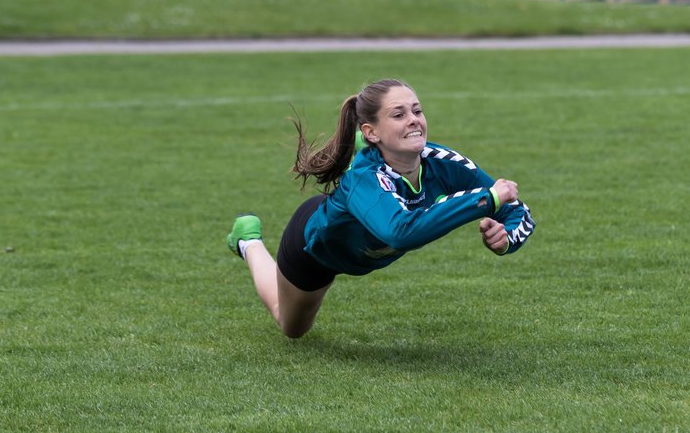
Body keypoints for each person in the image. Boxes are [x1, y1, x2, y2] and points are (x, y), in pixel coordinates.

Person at [226, 78, 535, 338]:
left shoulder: (445, 163)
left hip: (365, 234)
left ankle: (379, 150)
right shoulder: (363, 179)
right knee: (291, 328)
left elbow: (518, 212)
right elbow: (400, 232)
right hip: (316, 249)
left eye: (417, 110)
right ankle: (248, 240)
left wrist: (506, 237)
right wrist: (483, 200)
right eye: (398, 115)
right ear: (371, 130)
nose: (414, 119)